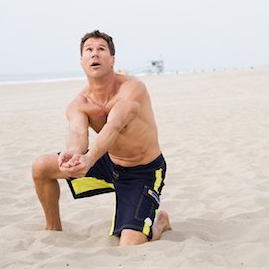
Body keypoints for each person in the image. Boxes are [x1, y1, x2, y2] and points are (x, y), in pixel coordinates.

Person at [32, 30, 171, 246]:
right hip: (108, 163)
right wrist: (74, 154)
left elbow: (114, 125)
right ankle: (53, 228)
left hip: (142, 170)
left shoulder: (132, 89)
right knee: (41, 166)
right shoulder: (79, 102)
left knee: (130, 244)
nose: (94, 54)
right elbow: (78, 133)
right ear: (82, 61)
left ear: (112, 59)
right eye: (89, 50)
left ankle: (159, 223)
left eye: (101, 49)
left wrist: (89, 159)